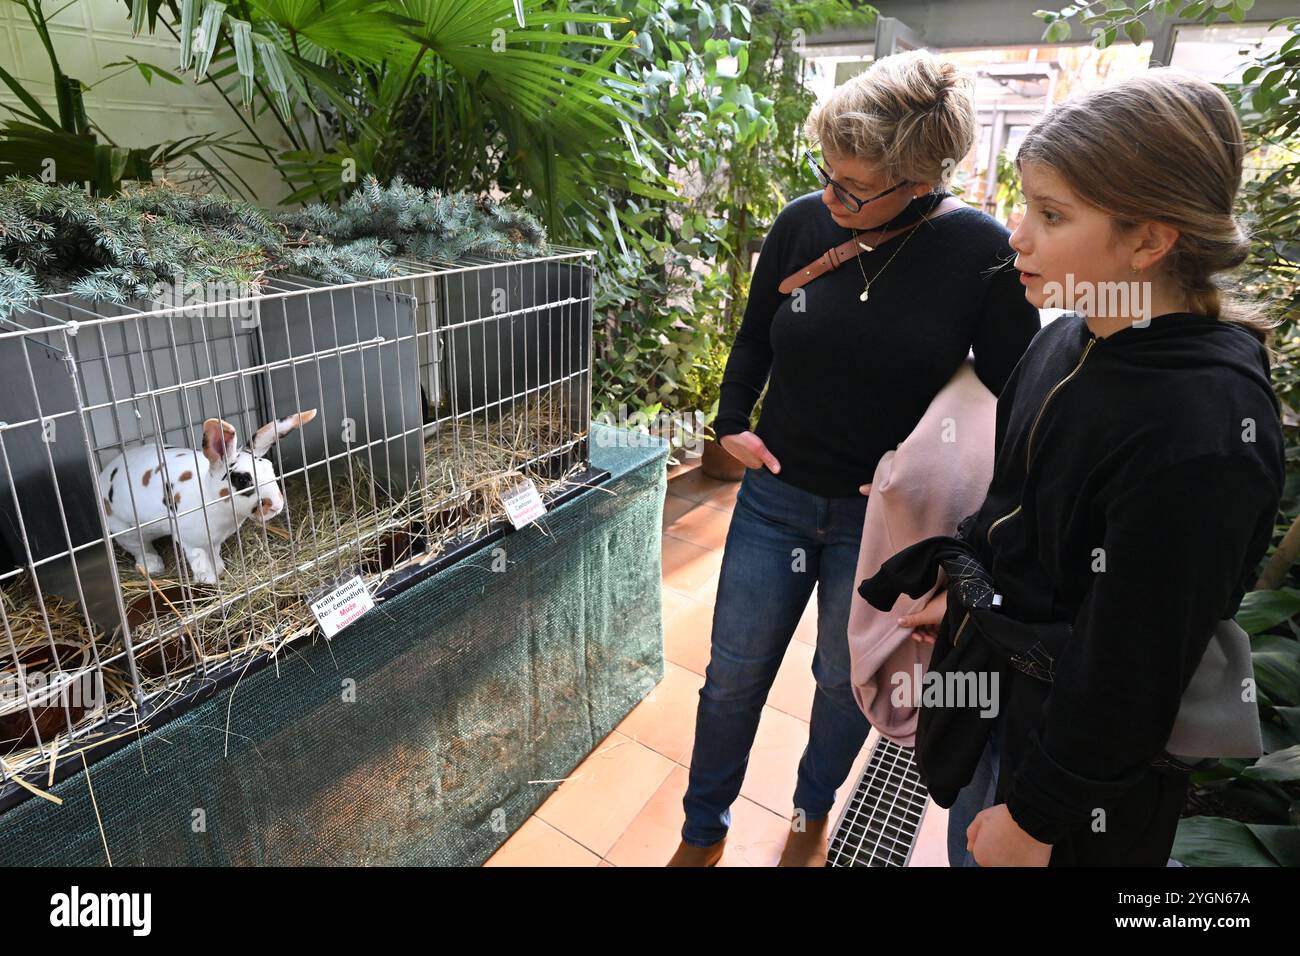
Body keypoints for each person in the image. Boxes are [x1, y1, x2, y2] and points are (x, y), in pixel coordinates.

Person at [666, 49, 1040, 867]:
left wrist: (947, 495)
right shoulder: (805, 221)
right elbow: (757, 332)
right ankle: (702, 829)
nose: (830, 197)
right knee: (732, 675)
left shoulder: (981, 253)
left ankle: (811, 811)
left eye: (852, 188)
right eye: (825, 174)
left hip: (886, 525)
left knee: (844, 683)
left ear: (917, 181)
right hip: (776, 496)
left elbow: (1011, 401)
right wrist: (733, 418)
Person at [903, 68, 1285, 866]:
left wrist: (1038, 817)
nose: (1017, 233)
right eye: (1027, 204)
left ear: (1149, 239)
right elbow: (1021, 507)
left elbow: (1136, 662)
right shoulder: (1065, 337)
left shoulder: (1202, 429)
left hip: (1074, 778)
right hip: (996, 690)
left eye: (1051, 214)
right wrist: (974, 595)